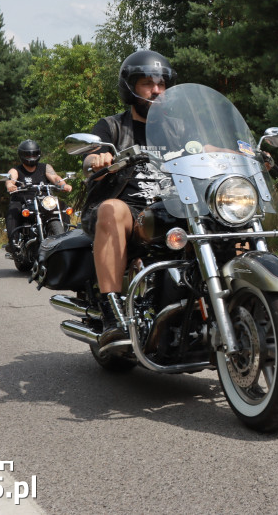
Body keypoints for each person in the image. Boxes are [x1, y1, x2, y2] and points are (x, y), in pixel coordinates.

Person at [80, 49, 177, 347]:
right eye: (148, 83)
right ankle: (111, 310)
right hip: (130, 212)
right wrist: (99, 158)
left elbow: (205, 146)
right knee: (111, 209)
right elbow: (89, 158)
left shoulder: (177, 129)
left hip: (173, 210)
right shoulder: (112, 127)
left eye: (161, 83)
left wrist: (238, 152)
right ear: (130, 87)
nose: (156, 89)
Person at [4, 139, 72, 252]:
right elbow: (10, 179)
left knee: (62, 206)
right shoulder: (16, 170)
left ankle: (66, 235)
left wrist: (63, 184)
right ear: (21, 155)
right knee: (13, 210)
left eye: (34, 154)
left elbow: (55, 178)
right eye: (28, 154)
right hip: (23, 200)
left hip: (43, 200)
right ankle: (13, 242)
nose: (31, 157)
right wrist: (10, 185)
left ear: (38, 154)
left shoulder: (45, 167)